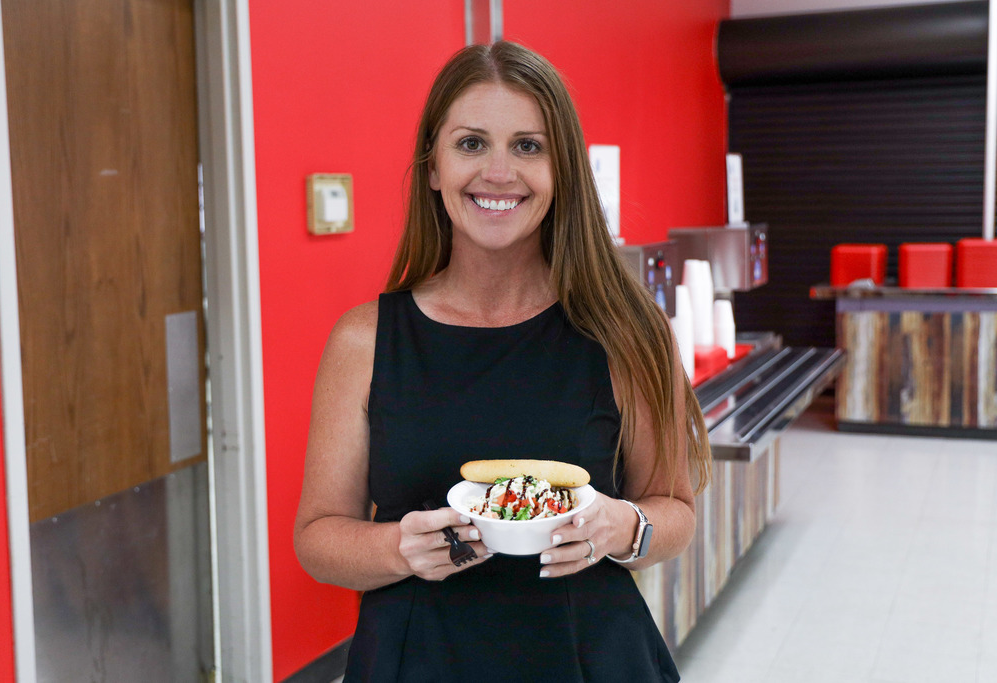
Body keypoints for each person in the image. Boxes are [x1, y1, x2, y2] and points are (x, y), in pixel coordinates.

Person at [294, 40, 712, 682]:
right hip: (416, 659)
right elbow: (318, 537)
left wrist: (620, 525)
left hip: (589, 657)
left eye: (528, 145)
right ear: (432, 166)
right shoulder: (365, 339)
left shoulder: (624, 331)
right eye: (470, 144)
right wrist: (398, 547)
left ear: (561, 169)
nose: (498, 172)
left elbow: (674, 511)